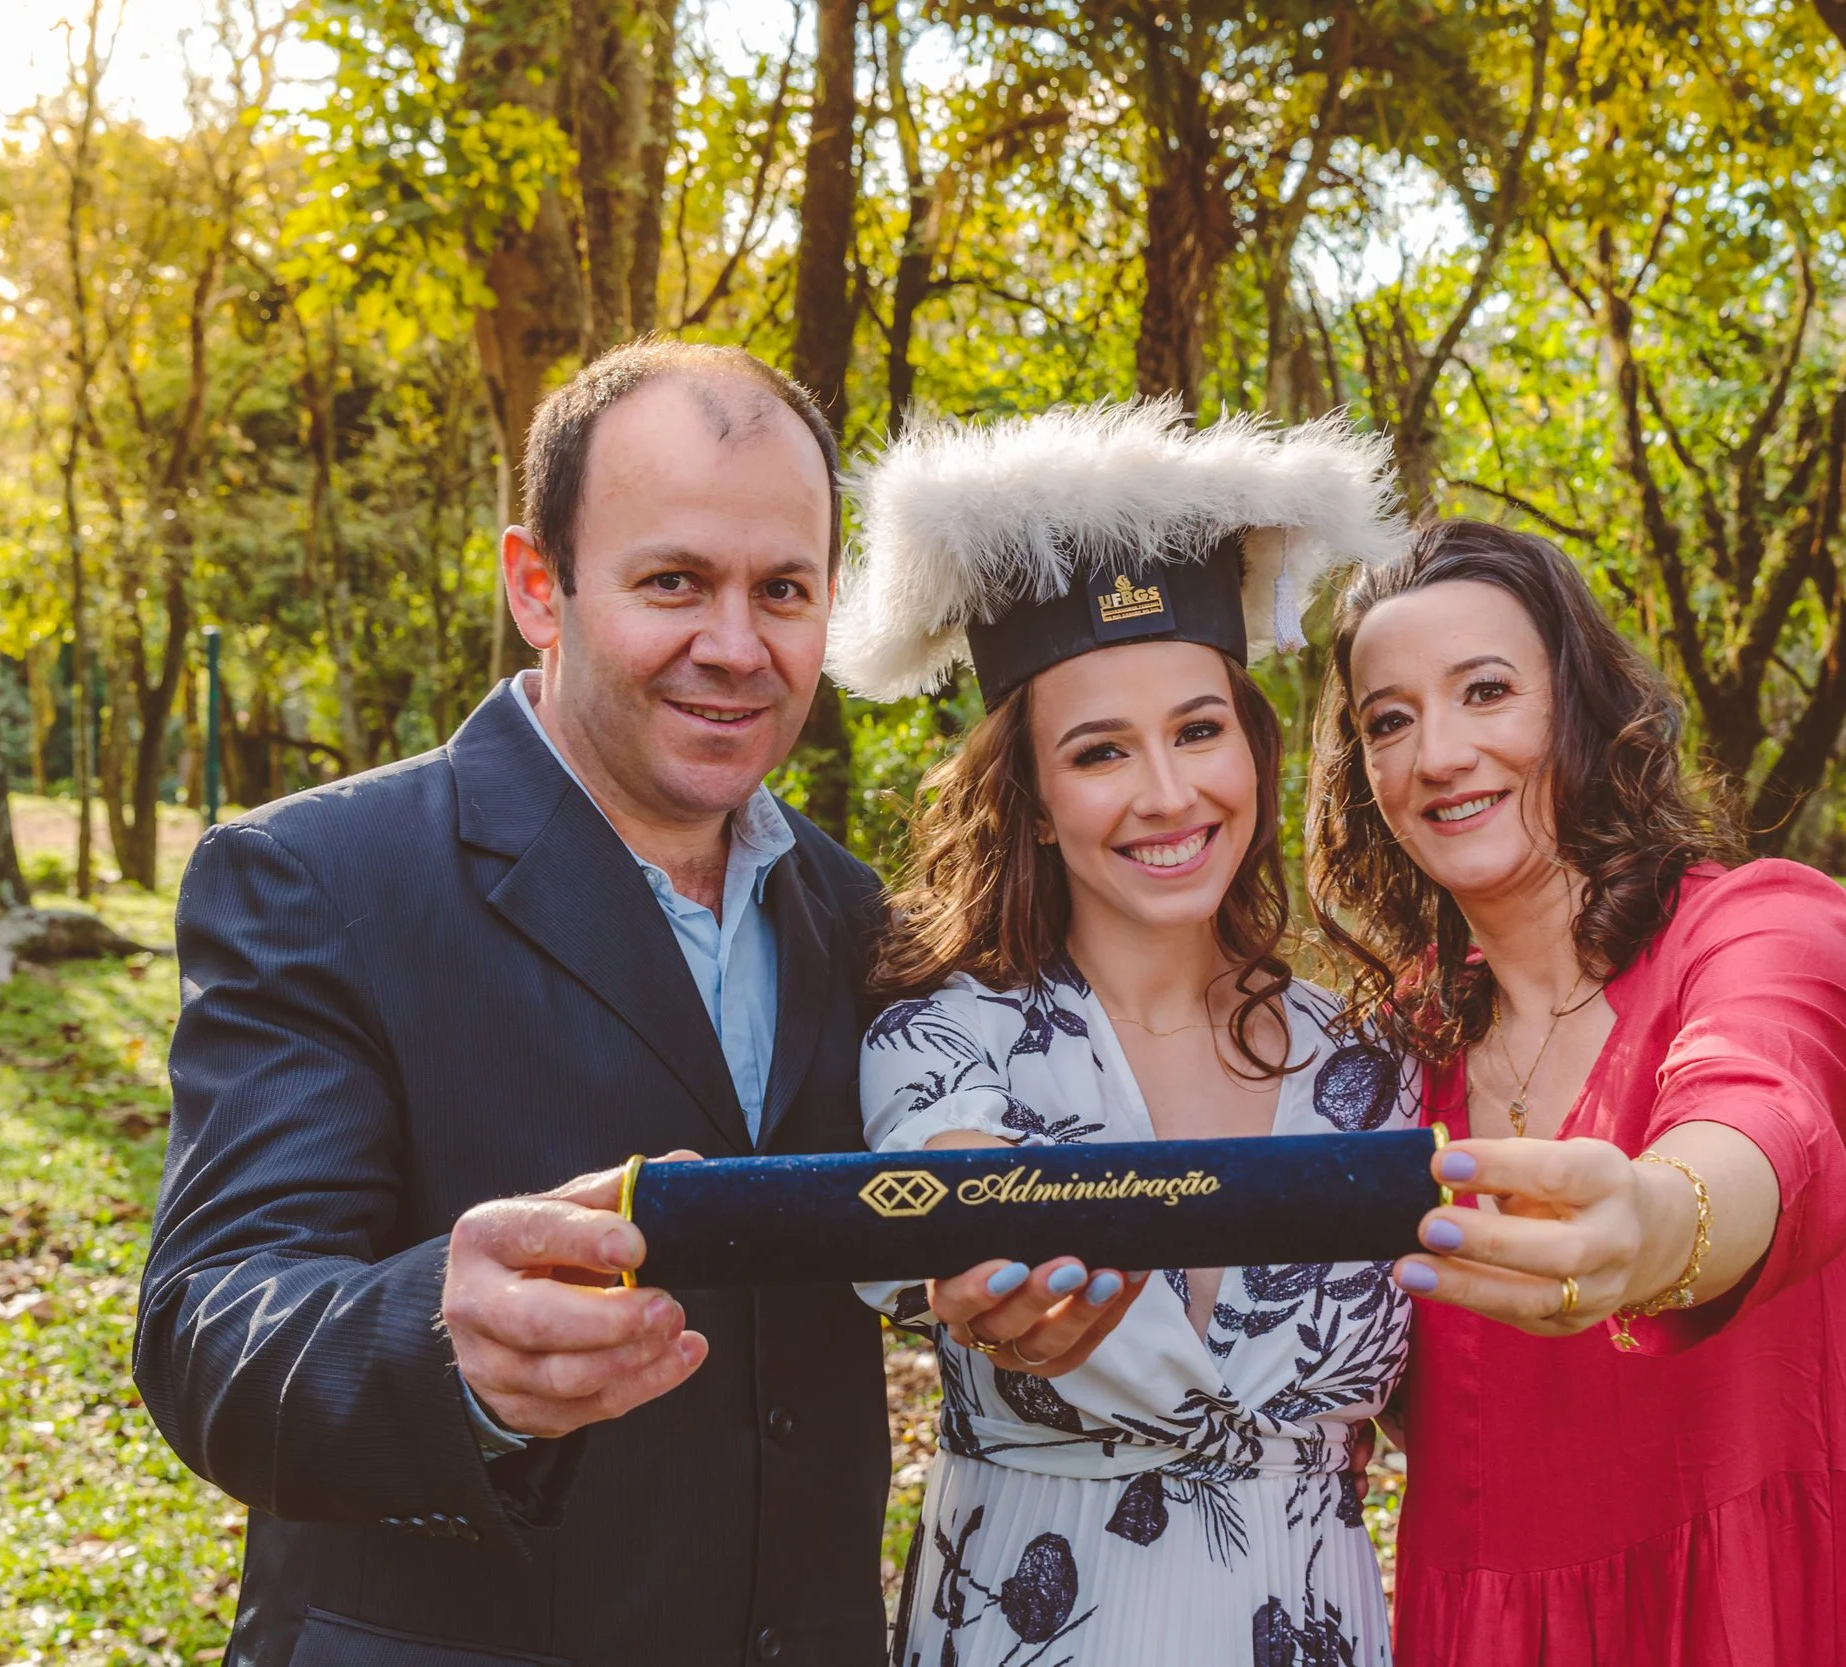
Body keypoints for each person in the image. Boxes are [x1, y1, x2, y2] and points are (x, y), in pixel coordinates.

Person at [135, 341, 1129, 1667]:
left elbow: (879, 1240)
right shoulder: (314, 875)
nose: (736, 645)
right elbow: (210, 1320)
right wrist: (445, 1340)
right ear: (535, 585)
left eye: (783, 590)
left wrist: (991, 1281)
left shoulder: (853, 910)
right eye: (674, 581)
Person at [1305, 518, 1846, 1666]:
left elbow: (1758, 1111)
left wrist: (1654, 1223)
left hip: (1791, 1616)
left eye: (1485, 691)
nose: (1437, 752)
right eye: (1388, 719)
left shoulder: (1768, 928)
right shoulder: (1391, 1053)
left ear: (1580, 705)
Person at [830, 401, 1413, 1667]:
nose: (1167, 792)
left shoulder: (1369, 1066)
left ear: (1251, 749)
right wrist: (976, 1245)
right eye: (1099, 752)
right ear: (1034, 801)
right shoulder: (943, 1040)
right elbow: (945, 1188)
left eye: (1198, 730)